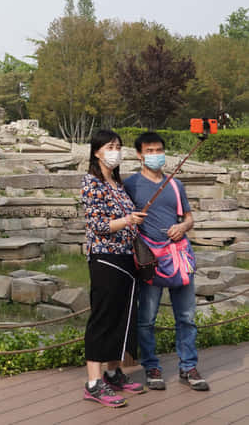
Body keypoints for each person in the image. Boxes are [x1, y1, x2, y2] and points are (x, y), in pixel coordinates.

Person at [124, 132, 208, 392]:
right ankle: (152, 366)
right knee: (147, 318)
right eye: (149, 150)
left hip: (178, 256)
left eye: (159, 150)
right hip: (149, 260)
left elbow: (189, 218)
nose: (155, 155)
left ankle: (188, 366)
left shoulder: (175, 184)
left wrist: (182, 227)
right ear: (139, 155)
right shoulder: (131, 185)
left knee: (186, 316)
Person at [80, 129, 147, 408]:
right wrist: (129, 220)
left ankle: (113, 373)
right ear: (97, 151)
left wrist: (133, 219)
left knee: (122, 318)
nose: (115, 151)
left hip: (126, 258)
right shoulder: (91, 182)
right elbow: (98, 225)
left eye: (118, 146)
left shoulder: (118, 184)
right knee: (103, 318)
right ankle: (94, 382)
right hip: (105, 259)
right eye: (110, 146)